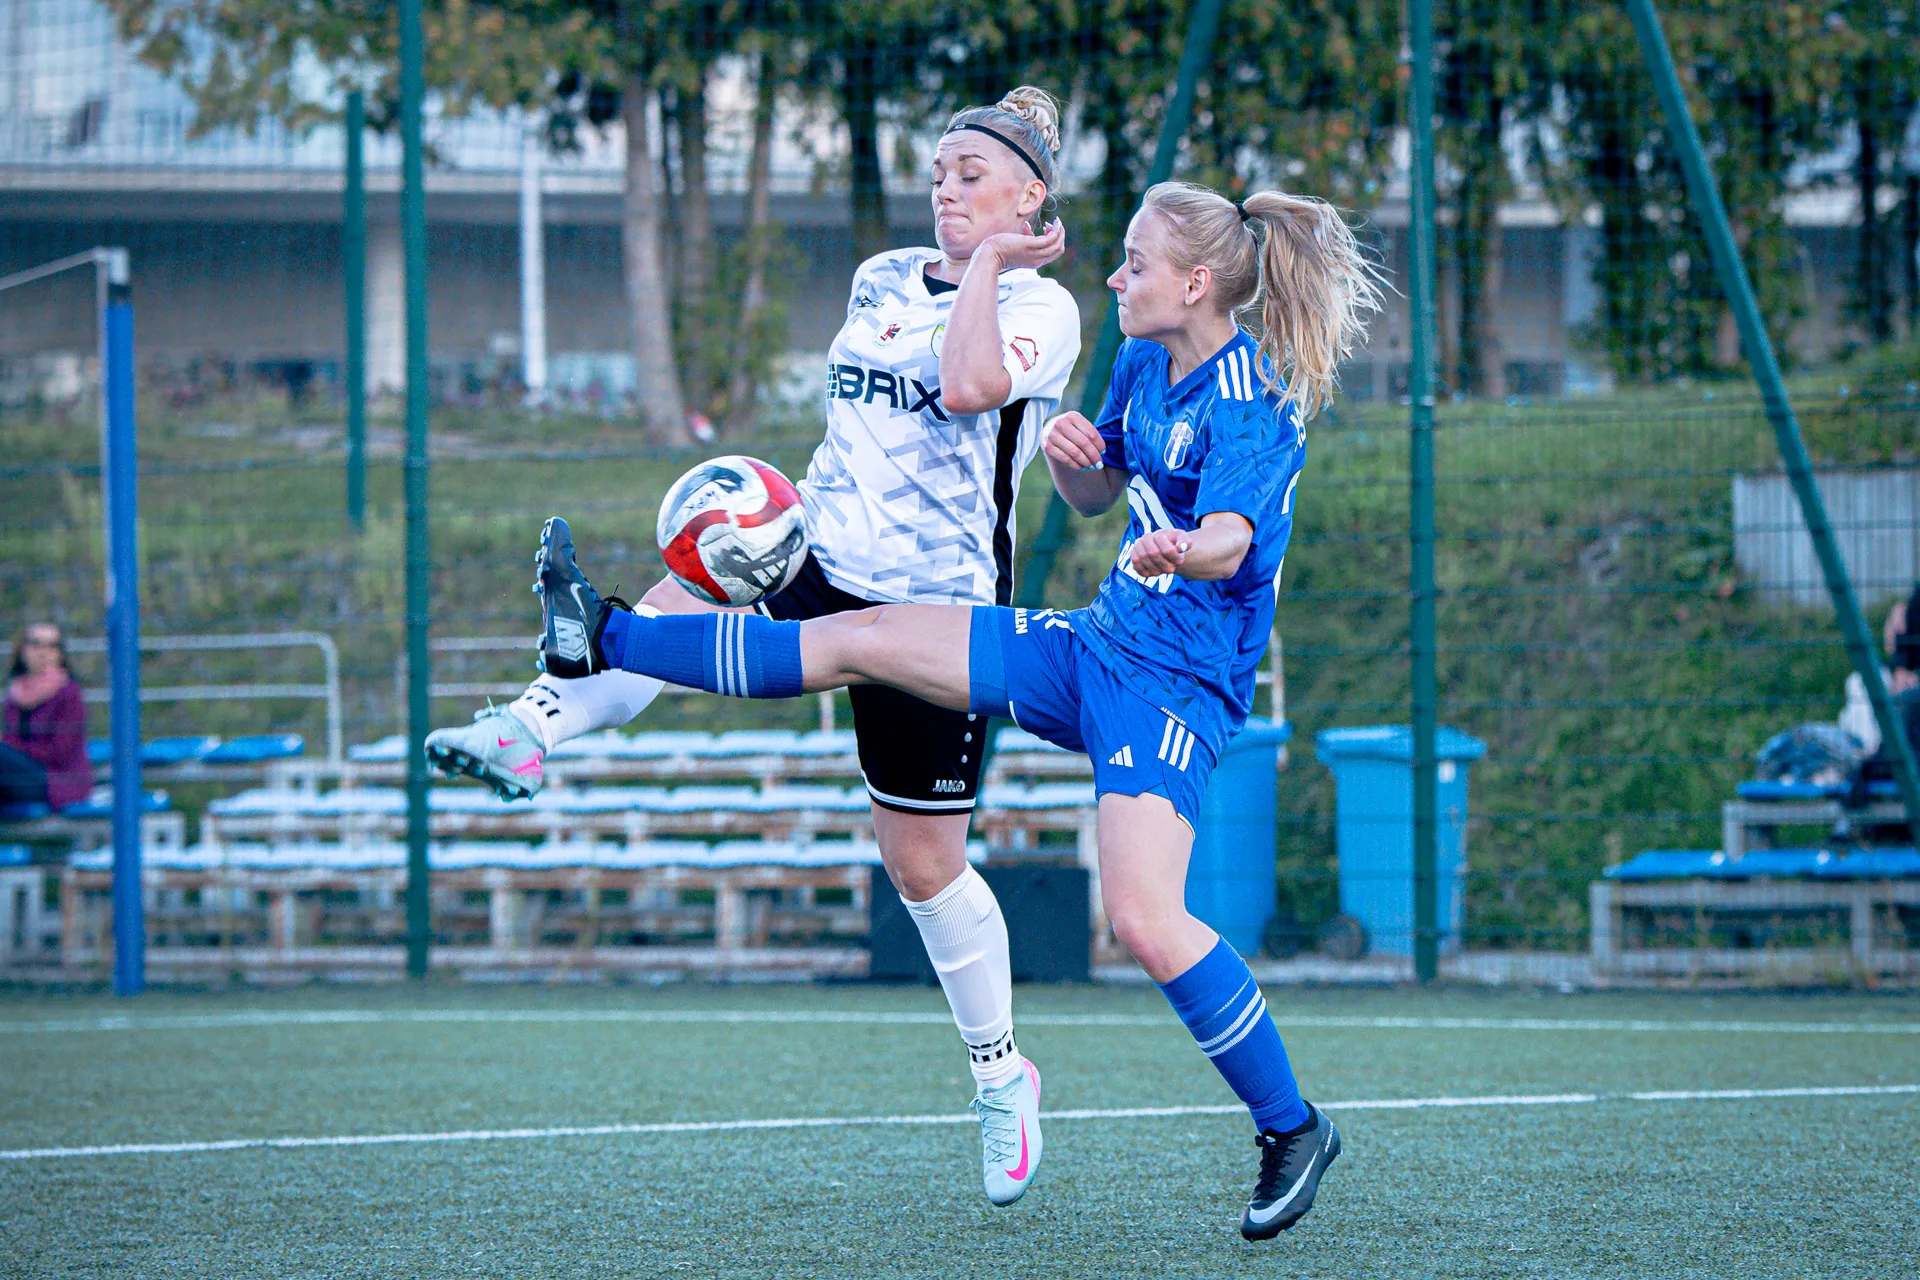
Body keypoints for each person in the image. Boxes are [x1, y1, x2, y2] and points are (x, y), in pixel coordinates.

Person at [519, 179, 1382, 1237]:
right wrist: (1078, 461)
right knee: (862, 638)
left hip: (1175, 691)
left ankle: (1293, 1126)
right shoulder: (1147, 360)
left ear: (1197, 283)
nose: (1116, 278)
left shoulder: (1255, 399)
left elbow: (1231, 542)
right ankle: (601, 633)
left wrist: (1180, 547)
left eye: (1136, 265)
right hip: (1095, 644)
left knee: (1145, 921)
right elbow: (1098, 492)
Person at [423, 89, 1082, 1202]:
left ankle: (1000, 1072)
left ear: (1030, 198)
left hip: (937, 607)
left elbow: (970, 385)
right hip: (822, 546)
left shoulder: (1043, 306)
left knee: (922, 868)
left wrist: (986, 265)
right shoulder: (881, 275)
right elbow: (857, 426)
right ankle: (528, 729)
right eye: (938, 174)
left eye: (972, 176)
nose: (946, 191)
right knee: (685, 586)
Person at [2, 622, 92, 811]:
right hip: (16, 775)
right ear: (22, 650)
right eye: (35, 644)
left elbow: (57, 752)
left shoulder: (69, 694)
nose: (43, 652)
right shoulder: (15, 694)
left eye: (52, 646)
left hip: (57, 782)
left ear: (60, 654)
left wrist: (13, 749)